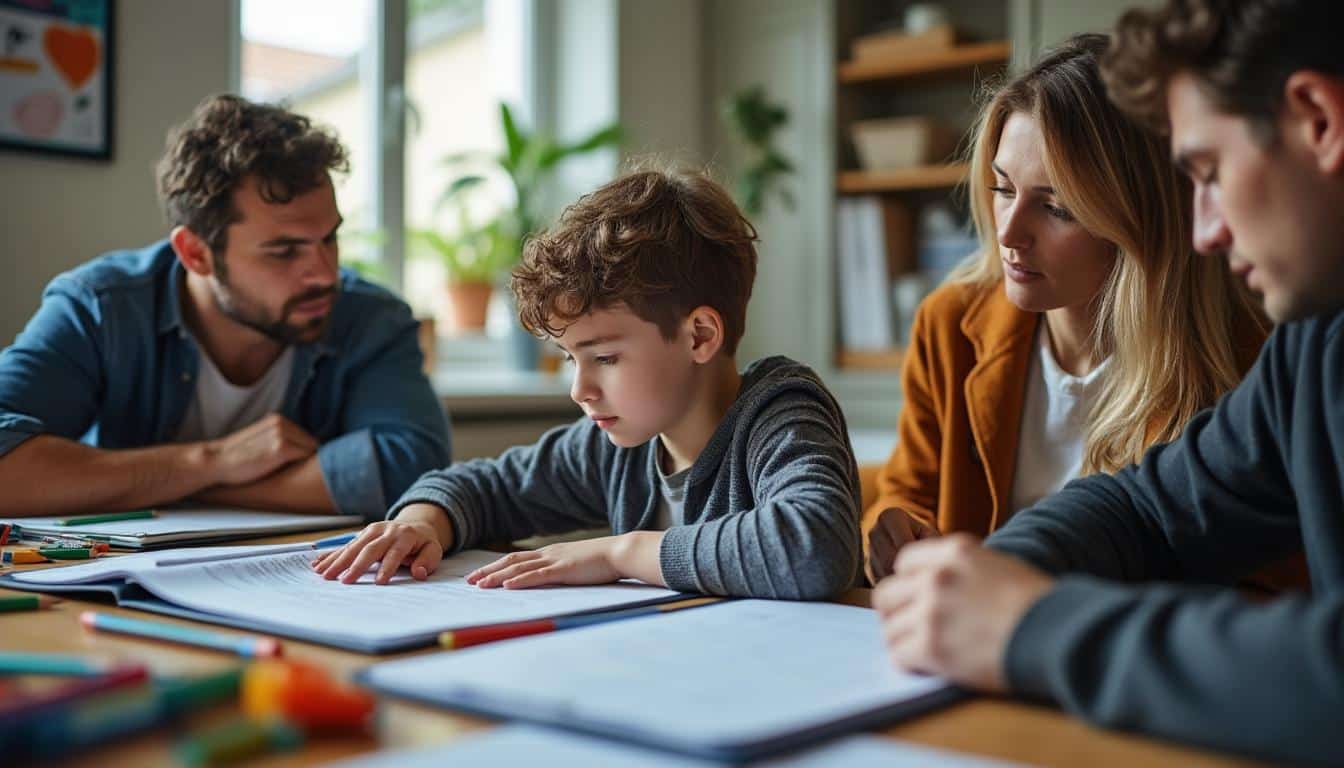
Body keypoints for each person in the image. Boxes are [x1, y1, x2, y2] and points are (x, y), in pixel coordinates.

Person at [875, 2, 1344, 761]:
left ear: (1317, 120)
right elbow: (1148, 508)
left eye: (1210, 172)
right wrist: (998, 572)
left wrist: (1031, 625)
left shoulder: (1272, 336)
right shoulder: (1316, 341)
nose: (1203, 231)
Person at [314, 168, 862, 599]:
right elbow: (488, 487)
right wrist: (421, 522)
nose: (580, 389)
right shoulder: (619, 446)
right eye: (570, 358)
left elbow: (814, 547)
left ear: (698, 335)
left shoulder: (781, 409)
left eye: (603, 356)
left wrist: (621, 554)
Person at [863, 34, 1273, 585]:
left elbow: (1268, 585)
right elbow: (907, 493)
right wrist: (897, 532)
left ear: (1139, 223)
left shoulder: (1244, 358)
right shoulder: (949, 325)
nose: (1008, 232)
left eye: (1056, 207)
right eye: (1003, 188)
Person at [0, 95, 450, 520]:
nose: (325, 274)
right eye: (284, 251)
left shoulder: (371, 319)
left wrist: (180, 484)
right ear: (196, 253)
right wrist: (212, 461)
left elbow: (412, 468)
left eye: (329, 237)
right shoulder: (101, 308)